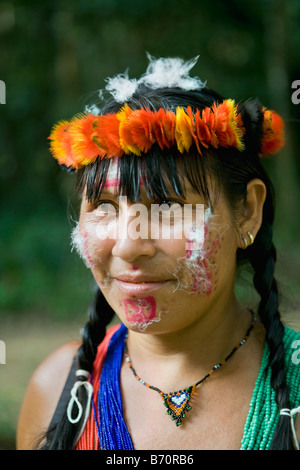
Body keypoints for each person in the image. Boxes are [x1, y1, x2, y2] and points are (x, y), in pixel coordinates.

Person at [17, 55, 300, 451]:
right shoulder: (57, 391)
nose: (128, 245)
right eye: (105, 206)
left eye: (167, 206)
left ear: (247, 213)